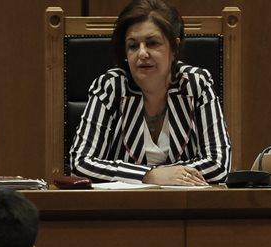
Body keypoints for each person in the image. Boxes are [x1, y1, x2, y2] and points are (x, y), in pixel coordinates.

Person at [70, 0, 231, 185]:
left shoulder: (196, 84)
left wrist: (167, 175)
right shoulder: (111, 86)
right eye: (133, 46)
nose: (142, 53)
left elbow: (219, 165)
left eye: (152, 43)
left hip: (186, 202)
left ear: (174, 48)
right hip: (119, 203)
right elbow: (80, 164)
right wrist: (149, 175)